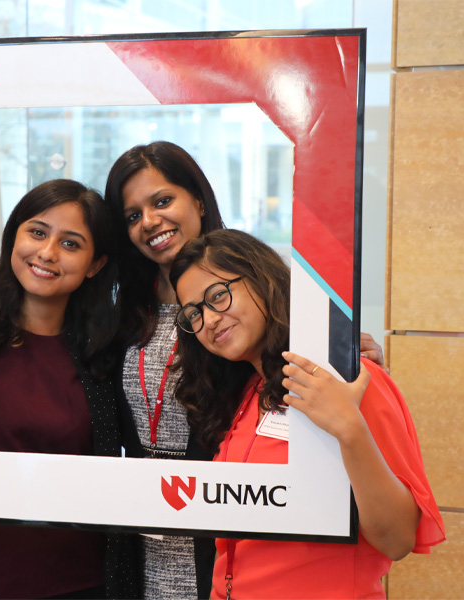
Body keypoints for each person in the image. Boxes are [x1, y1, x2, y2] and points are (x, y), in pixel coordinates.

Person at [103, 141, 388, 599]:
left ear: (197, 198)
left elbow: (303, 360)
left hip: (235, 522)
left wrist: (345, 352)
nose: (150, 221)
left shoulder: (251, 288)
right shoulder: (123, 310)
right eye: (133, 215)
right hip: (146, 525)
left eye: (161, 201)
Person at [170, 229, 445, 599]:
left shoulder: (347, 380)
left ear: (261, 278)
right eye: (194, 314)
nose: (210, 319)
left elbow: (397, 539)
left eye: (218, 296)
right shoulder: (247, 394)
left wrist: (350, 429)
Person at [0, 179, 139, 599]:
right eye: (38, 232)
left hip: (86, 583)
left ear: (95, 264)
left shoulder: (109, 350)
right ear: (15, 236)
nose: (47, 253)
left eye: (71, 244)